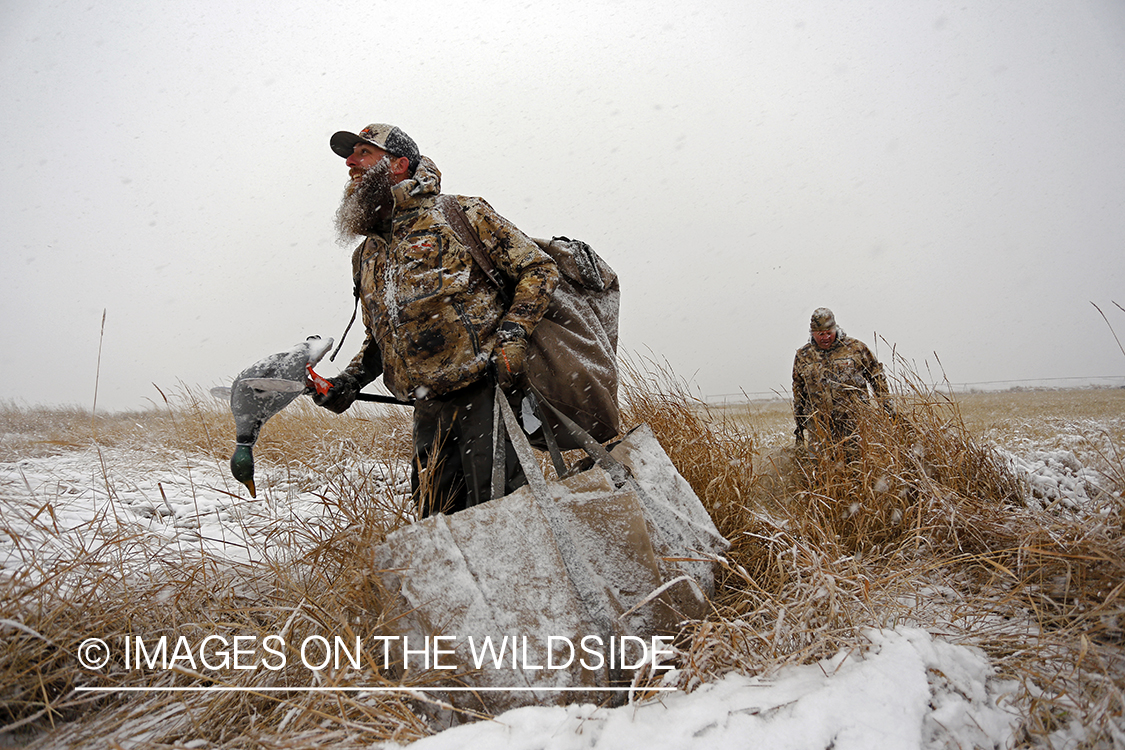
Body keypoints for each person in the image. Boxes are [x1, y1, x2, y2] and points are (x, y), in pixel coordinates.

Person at [314, 123, 559, 517]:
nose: (350, 163)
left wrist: (513, 337)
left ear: (398, 165)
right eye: (350, 155)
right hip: (426, 412)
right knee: (437, 523)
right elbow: (382, 336)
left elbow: (539, 269)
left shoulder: (461, 214)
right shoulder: (367, 255)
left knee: (506, 519)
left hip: (484, 395)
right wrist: (349, 381)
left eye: (363, 153)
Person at [792, 307, 894, 447]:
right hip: (820, 427)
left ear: (836, 329)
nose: (826, 337)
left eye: (829, 332)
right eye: (820, 333)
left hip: (855, 423)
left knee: (857, 464)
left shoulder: (856, 348)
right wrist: (800, 423)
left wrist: (887, 408)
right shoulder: (803, 355)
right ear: (812, 334)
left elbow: (877, 377)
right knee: (820, 466)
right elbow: (798, 390)